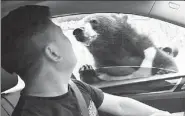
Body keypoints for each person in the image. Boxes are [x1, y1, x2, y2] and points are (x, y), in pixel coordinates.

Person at [1, 5, 173, 116]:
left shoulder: (76, 87)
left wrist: (162, 114)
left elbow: (120, 105)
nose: (71, 40)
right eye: (62, 35)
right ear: (53, 53)